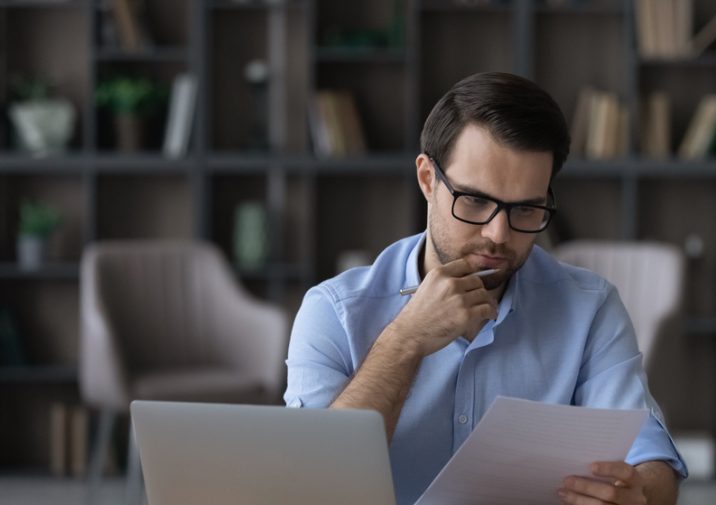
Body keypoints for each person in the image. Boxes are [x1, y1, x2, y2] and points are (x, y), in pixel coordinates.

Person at [285, 72, 687, 505]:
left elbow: (652, 462)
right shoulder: (333, 311)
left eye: (526, 209)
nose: (498, 234)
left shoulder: (589, 310)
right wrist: (405, 340)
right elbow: (313, 486)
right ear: (427, 180)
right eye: (475, 201)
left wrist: (638, 495)